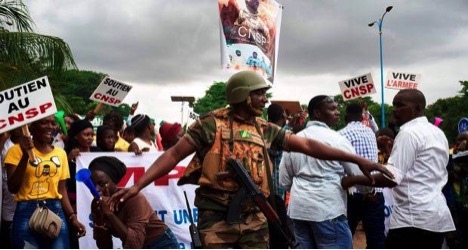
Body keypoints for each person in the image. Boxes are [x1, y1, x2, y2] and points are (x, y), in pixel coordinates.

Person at [109, 71, 391, 248]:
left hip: (255, 214)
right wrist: (137, 186)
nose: (265, 100)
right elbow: (172, 155)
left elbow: (306, 145)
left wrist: (358, 159)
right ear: (242, 95)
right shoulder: (210, 124)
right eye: (259, 94)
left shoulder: (264, 128)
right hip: (216, 216)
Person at [342, 89, 455, 248]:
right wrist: (392, 151)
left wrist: (352, 179)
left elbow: (391, 178)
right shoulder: (437, 132)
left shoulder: (408, 133)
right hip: (436, 217)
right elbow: (423, 168)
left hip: (412, 219)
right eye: (394, 105)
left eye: (400, 105)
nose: (395, 109)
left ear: (417, 108)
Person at [279, 95, 365, 249]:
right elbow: (357, 173)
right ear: (317, 113)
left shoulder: (295, 140)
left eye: (337, 109)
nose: (337, 112)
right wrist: (369, 190)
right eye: (332, 109)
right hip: (328, 210)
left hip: (299, 211)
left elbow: (284, 182)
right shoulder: (337, 140)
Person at [3, 116, 86, 248]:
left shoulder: (61, 154)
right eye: (44, 122)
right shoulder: (15, 151)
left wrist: (72, 217)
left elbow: (61, 190)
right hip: (26, 212)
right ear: (31, 127)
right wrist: (25, 156)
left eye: (53, 123)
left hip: (56, 211)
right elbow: (13, 187)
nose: (50, 127)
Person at [89, 156, 179, 249]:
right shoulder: (97, 205)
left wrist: (109, 214)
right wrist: (100, 219)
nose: (96, 189)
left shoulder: (134, 199)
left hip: (162, 244)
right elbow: (105, 247)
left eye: (102, 184)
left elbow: (135, 245)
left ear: (114, 182)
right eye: (92, 184)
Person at [339, 103, 385, 249]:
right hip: (374, 191)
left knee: (345, 237)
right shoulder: (371, 133)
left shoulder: (341, 135)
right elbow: (376, 127)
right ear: (362, 117)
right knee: (376, 239)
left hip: (352, 193)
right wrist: (368, 113)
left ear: (346, 116)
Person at [65, 119, 101, 248]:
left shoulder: (98, 152)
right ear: (76, 136)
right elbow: (62, 178)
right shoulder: (67, 155)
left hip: (97, 204)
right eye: (86, 134)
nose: (90, 138)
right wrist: (68, 159)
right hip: (75, 206)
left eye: (92, 134)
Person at [266, 103, 291, 249]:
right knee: (280, 237)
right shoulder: (281, 134)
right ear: (283, 117)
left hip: (261, 191)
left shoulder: (261, 130)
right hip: (275, 193)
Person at [0, 128, 22, 249]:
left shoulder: (33, 143)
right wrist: (3, 137)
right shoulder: (5, 143)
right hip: (7, 193)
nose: (18, 127)